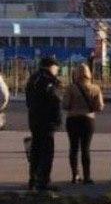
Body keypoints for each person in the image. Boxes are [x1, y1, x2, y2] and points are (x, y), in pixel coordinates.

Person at [60, 61, 104, 185]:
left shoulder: (71, 88)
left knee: (73, 148)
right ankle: (87, 176)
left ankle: (75, 175)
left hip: (72, 119)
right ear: (89, 74)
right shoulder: (95, 88)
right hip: (88, 120)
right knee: (86, 148)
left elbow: (65, 105)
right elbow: (100, 107)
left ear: (76, 74)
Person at [25, 56, 62, 190]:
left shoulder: (33, 78)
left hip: (34, 119)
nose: (57, 70)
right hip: (47, 121)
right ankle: (43, 181)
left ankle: (33, 179)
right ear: (51, 66)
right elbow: (55, 100)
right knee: (47, 152)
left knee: (36, 150)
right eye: (56, 68)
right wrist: (57, 120)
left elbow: (28, 100)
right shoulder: (48, 81)